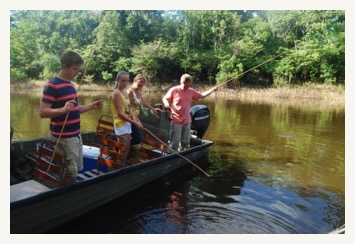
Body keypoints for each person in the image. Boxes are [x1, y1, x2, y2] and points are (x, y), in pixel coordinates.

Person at [39, 50, 103, 185]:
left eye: (79, 70)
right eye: (74, 69)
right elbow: (43, 112)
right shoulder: (52, 86)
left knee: (74, 170)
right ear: (64, 66)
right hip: (63, 138)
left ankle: (66, 192)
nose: (77, 73)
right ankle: (64, 197)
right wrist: (62, 109)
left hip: (75, 136)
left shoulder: (71, 86)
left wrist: (91, 106)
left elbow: (74, 110)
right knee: (69, 173)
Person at [162, 73, 217, 151]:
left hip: (187, 120)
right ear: (182, 82)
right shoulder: (174, 90)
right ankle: (173, 153)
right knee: (175, 141)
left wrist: (212, 90)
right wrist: (166, 103)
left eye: (188, 82)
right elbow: (165, 98)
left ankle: (183, 152)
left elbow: (202, 95)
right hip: (176, 120)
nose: (187, 84)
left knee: (185, 141)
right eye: (185, 82)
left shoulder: (191, 91)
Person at [112, 71, 143, 155]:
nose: (125, 83)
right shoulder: (116, 93)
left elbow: (128, 109)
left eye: (127, 81)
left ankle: (121, 165)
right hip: (120, 124)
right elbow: (120, 113)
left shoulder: (125, 91)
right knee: (124, 149)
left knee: (126, 148)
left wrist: (136, 119)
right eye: (123, 81)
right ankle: (119, 166)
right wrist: (134, 122)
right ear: (117, 80)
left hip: (127, 123)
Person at [127, 74, 160, 145]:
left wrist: (153, 108)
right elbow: (127, 106)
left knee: (136, 138)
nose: (141, 84)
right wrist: (135, 118)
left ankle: (123, 145)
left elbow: (143, 101)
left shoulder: (138, 92)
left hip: (134, 119)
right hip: (129, 119)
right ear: (135, 80)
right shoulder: (130, 92)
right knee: (137, 139)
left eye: (143, 82)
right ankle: (122, 145)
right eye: (140, 81)